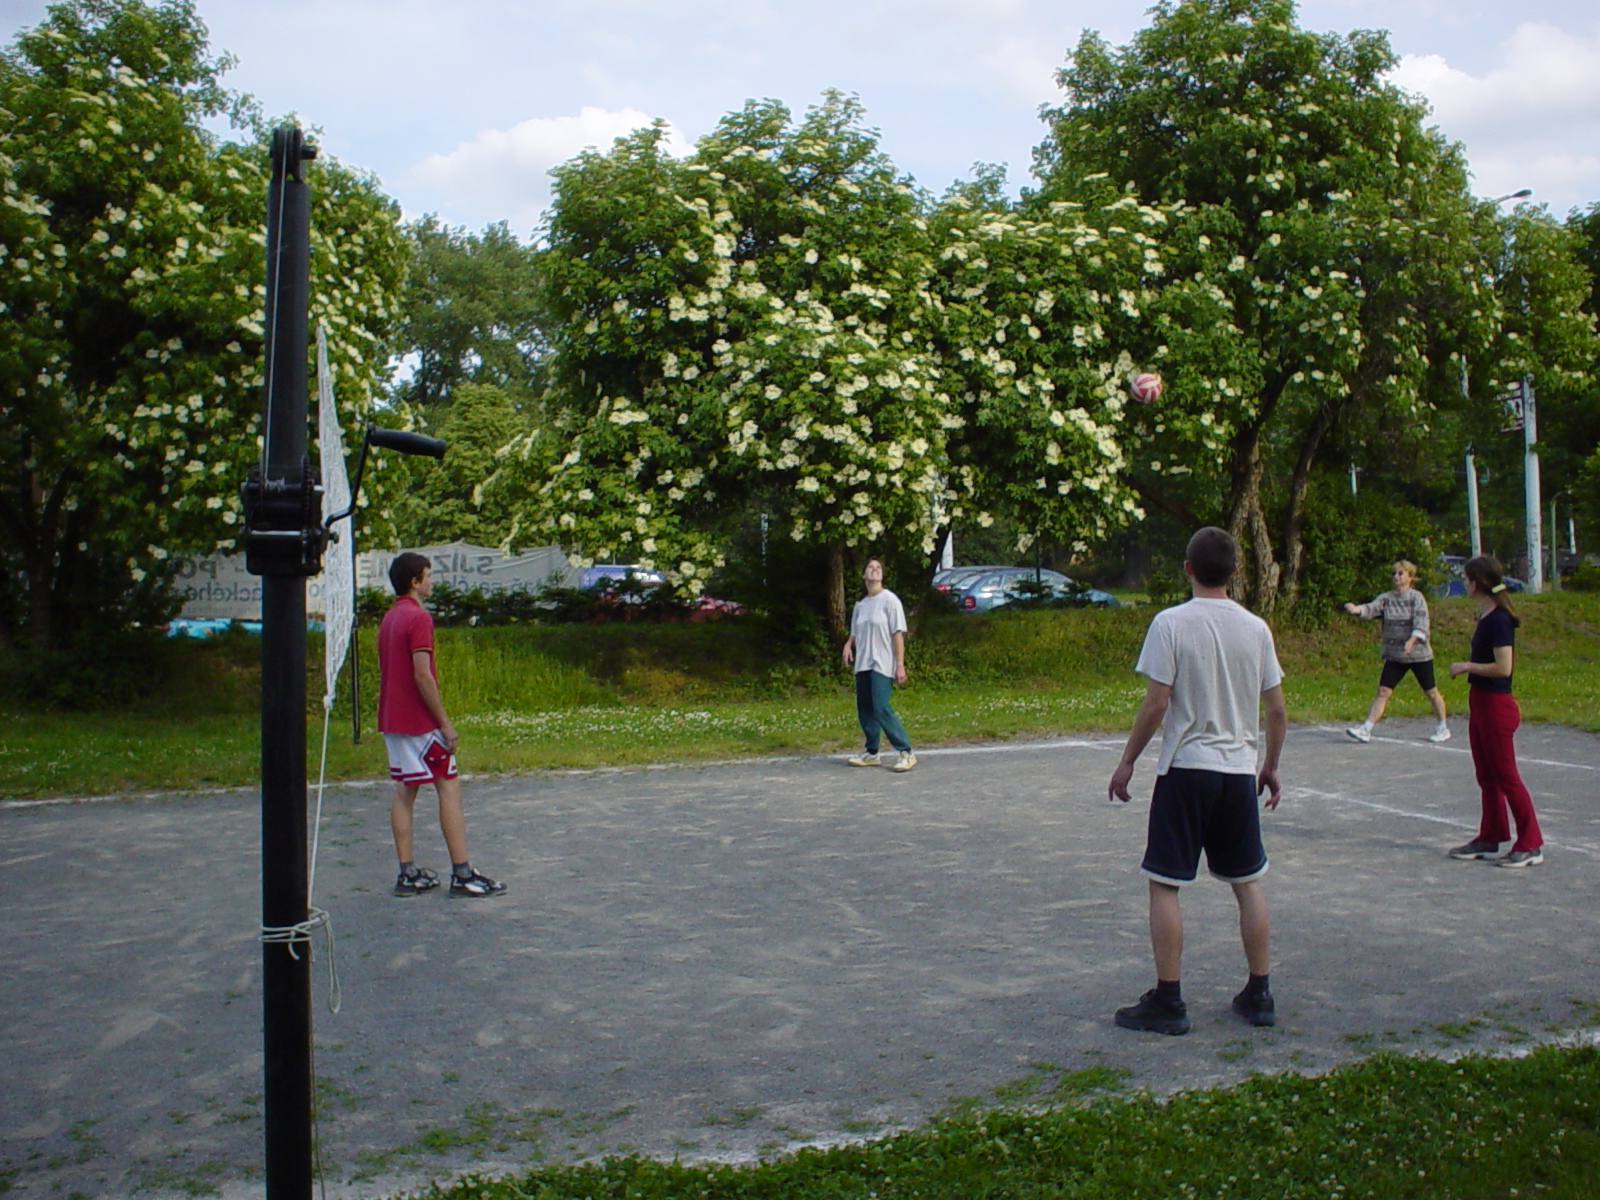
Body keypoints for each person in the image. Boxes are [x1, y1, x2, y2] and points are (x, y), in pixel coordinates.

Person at [1107, 527, 1287, 1035]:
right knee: (1247, 882)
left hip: (1187, 769)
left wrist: (1128, 760)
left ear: (1187, 568)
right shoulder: (1256, 628)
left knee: (1165, 883)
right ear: (1235, 572)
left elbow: (1157, 702)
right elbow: (1276, 710)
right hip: (1236, 773)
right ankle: (1260, 992)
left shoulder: (1171, 623)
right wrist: (1270, 765)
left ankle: (1169, 1000)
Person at [377, 552, 506, 898]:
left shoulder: (390, 617)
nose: (431, 581)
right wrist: (445, 723)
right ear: (415, 582)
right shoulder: (418, 618)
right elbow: (423, 675)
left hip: (392, 718)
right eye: (427, 575)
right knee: (448, 786)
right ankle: (462, 873)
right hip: (419, 722)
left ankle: (407, 873)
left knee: (405, 790)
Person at [1446, 555, 1544, 867]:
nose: (1464, 583)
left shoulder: (1500, 620)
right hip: (1480, 701)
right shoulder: (1486, 615)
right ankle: (1491, 835)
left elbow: (1504, 668)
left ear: (1477, 583)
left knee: (1506, 776)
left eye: (1466, 578)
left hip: (1497, 705)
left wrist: (1467, 666)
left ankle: (1531, 843)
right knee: (1486, 775)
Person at [1343, 560, 1450, 744]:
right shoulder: (1386, 598)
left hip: (1419, 655)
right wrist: (1357, 610)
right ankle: (1366, 729)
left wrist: (1412, 640)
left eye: (1401, 573)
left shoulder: (1417, 598)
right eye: (1394, 573)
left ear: (1410, 577)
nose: (1396, 577)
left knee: (1431, 691)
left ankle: (1442, 727)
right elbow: (1371, 608)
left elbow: (1422, 623)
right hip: (1395, 655)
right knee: (1383, 691)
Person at [841, 557, 916, 772]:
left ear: (882, 574)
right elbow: (855, 631)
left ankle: (906, 751)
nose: (874, 570)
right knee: (865, 709)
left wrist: (899, 665)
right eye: (870, 567)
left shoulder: (890, 601)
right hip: (863, 662)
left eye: (878, 568)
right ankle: (871, 752)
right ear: (864, 575)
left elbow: (897, 634)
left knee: (880, 707)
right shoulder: (861, 604)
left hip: (882, 662)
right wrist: (848, 644)